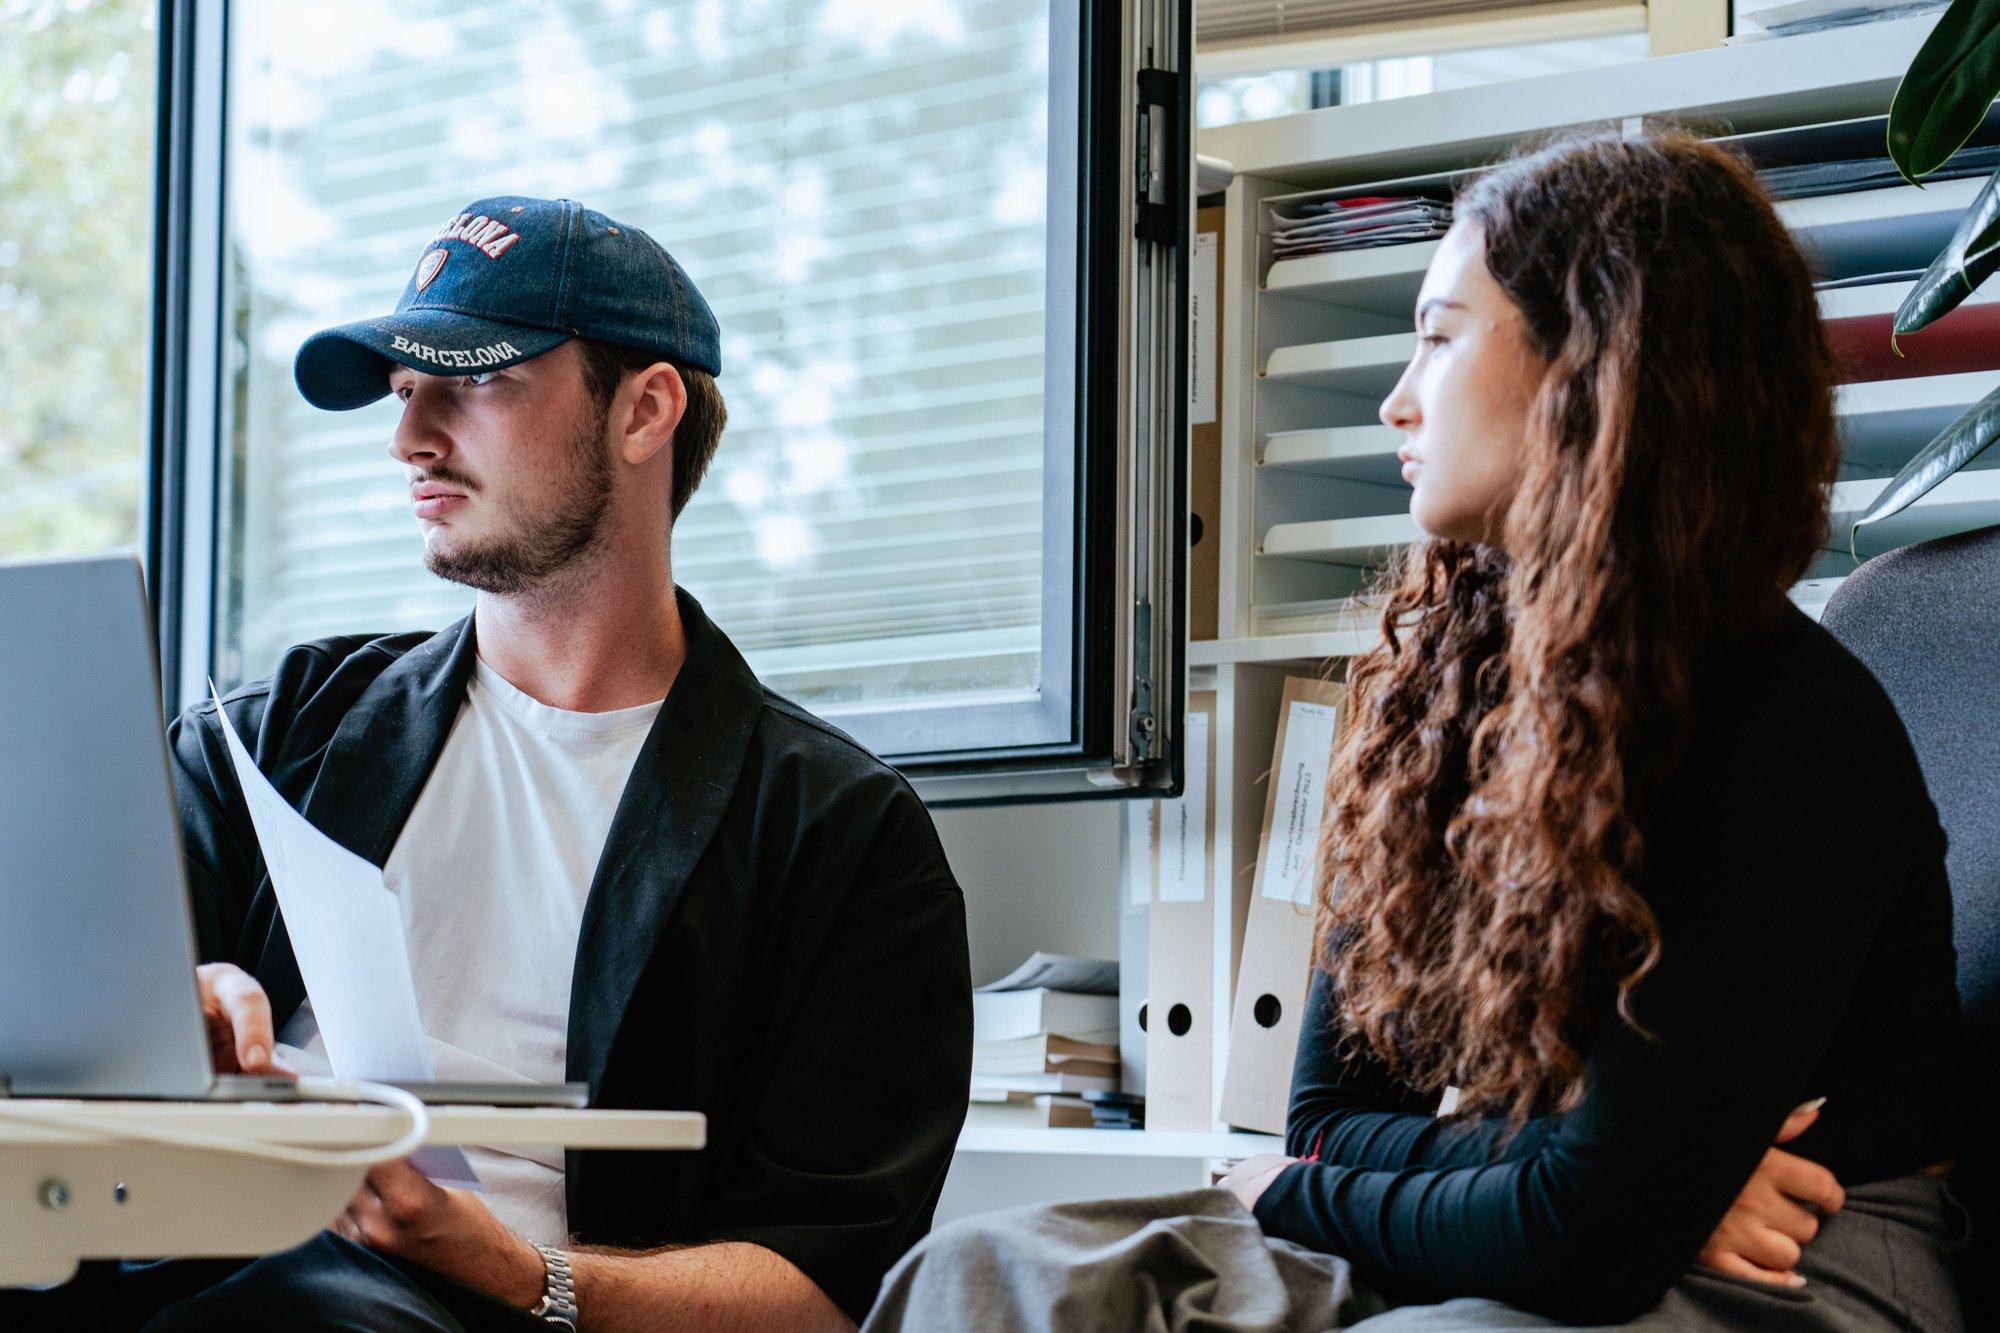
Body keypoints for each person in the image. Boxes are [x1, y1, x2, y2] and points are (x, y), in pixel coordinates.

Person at [862, 131, 1965, 1332]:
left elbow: (1572, 1238)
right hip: (1534, 1211)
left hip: (1799, 1260)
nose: (1397, 397)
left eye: (1438, 336)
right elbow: (1327, 1124)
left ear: (1591, 360)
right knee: (978, 1274)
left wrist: (1303, 1195)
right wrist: (1579, 1176)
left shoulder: (1791, 729)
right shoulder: (1438, 701)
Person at [2, 196, 972, 1332]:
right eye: (405, 391)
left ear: (644, 410)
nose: (409, 437)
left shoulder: (842, 837)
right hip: (177, 1269)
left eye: (471, 379)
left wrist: (518, 1271)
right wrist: (173, 1015)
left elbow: (817, 1290)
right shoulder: (273, 739)